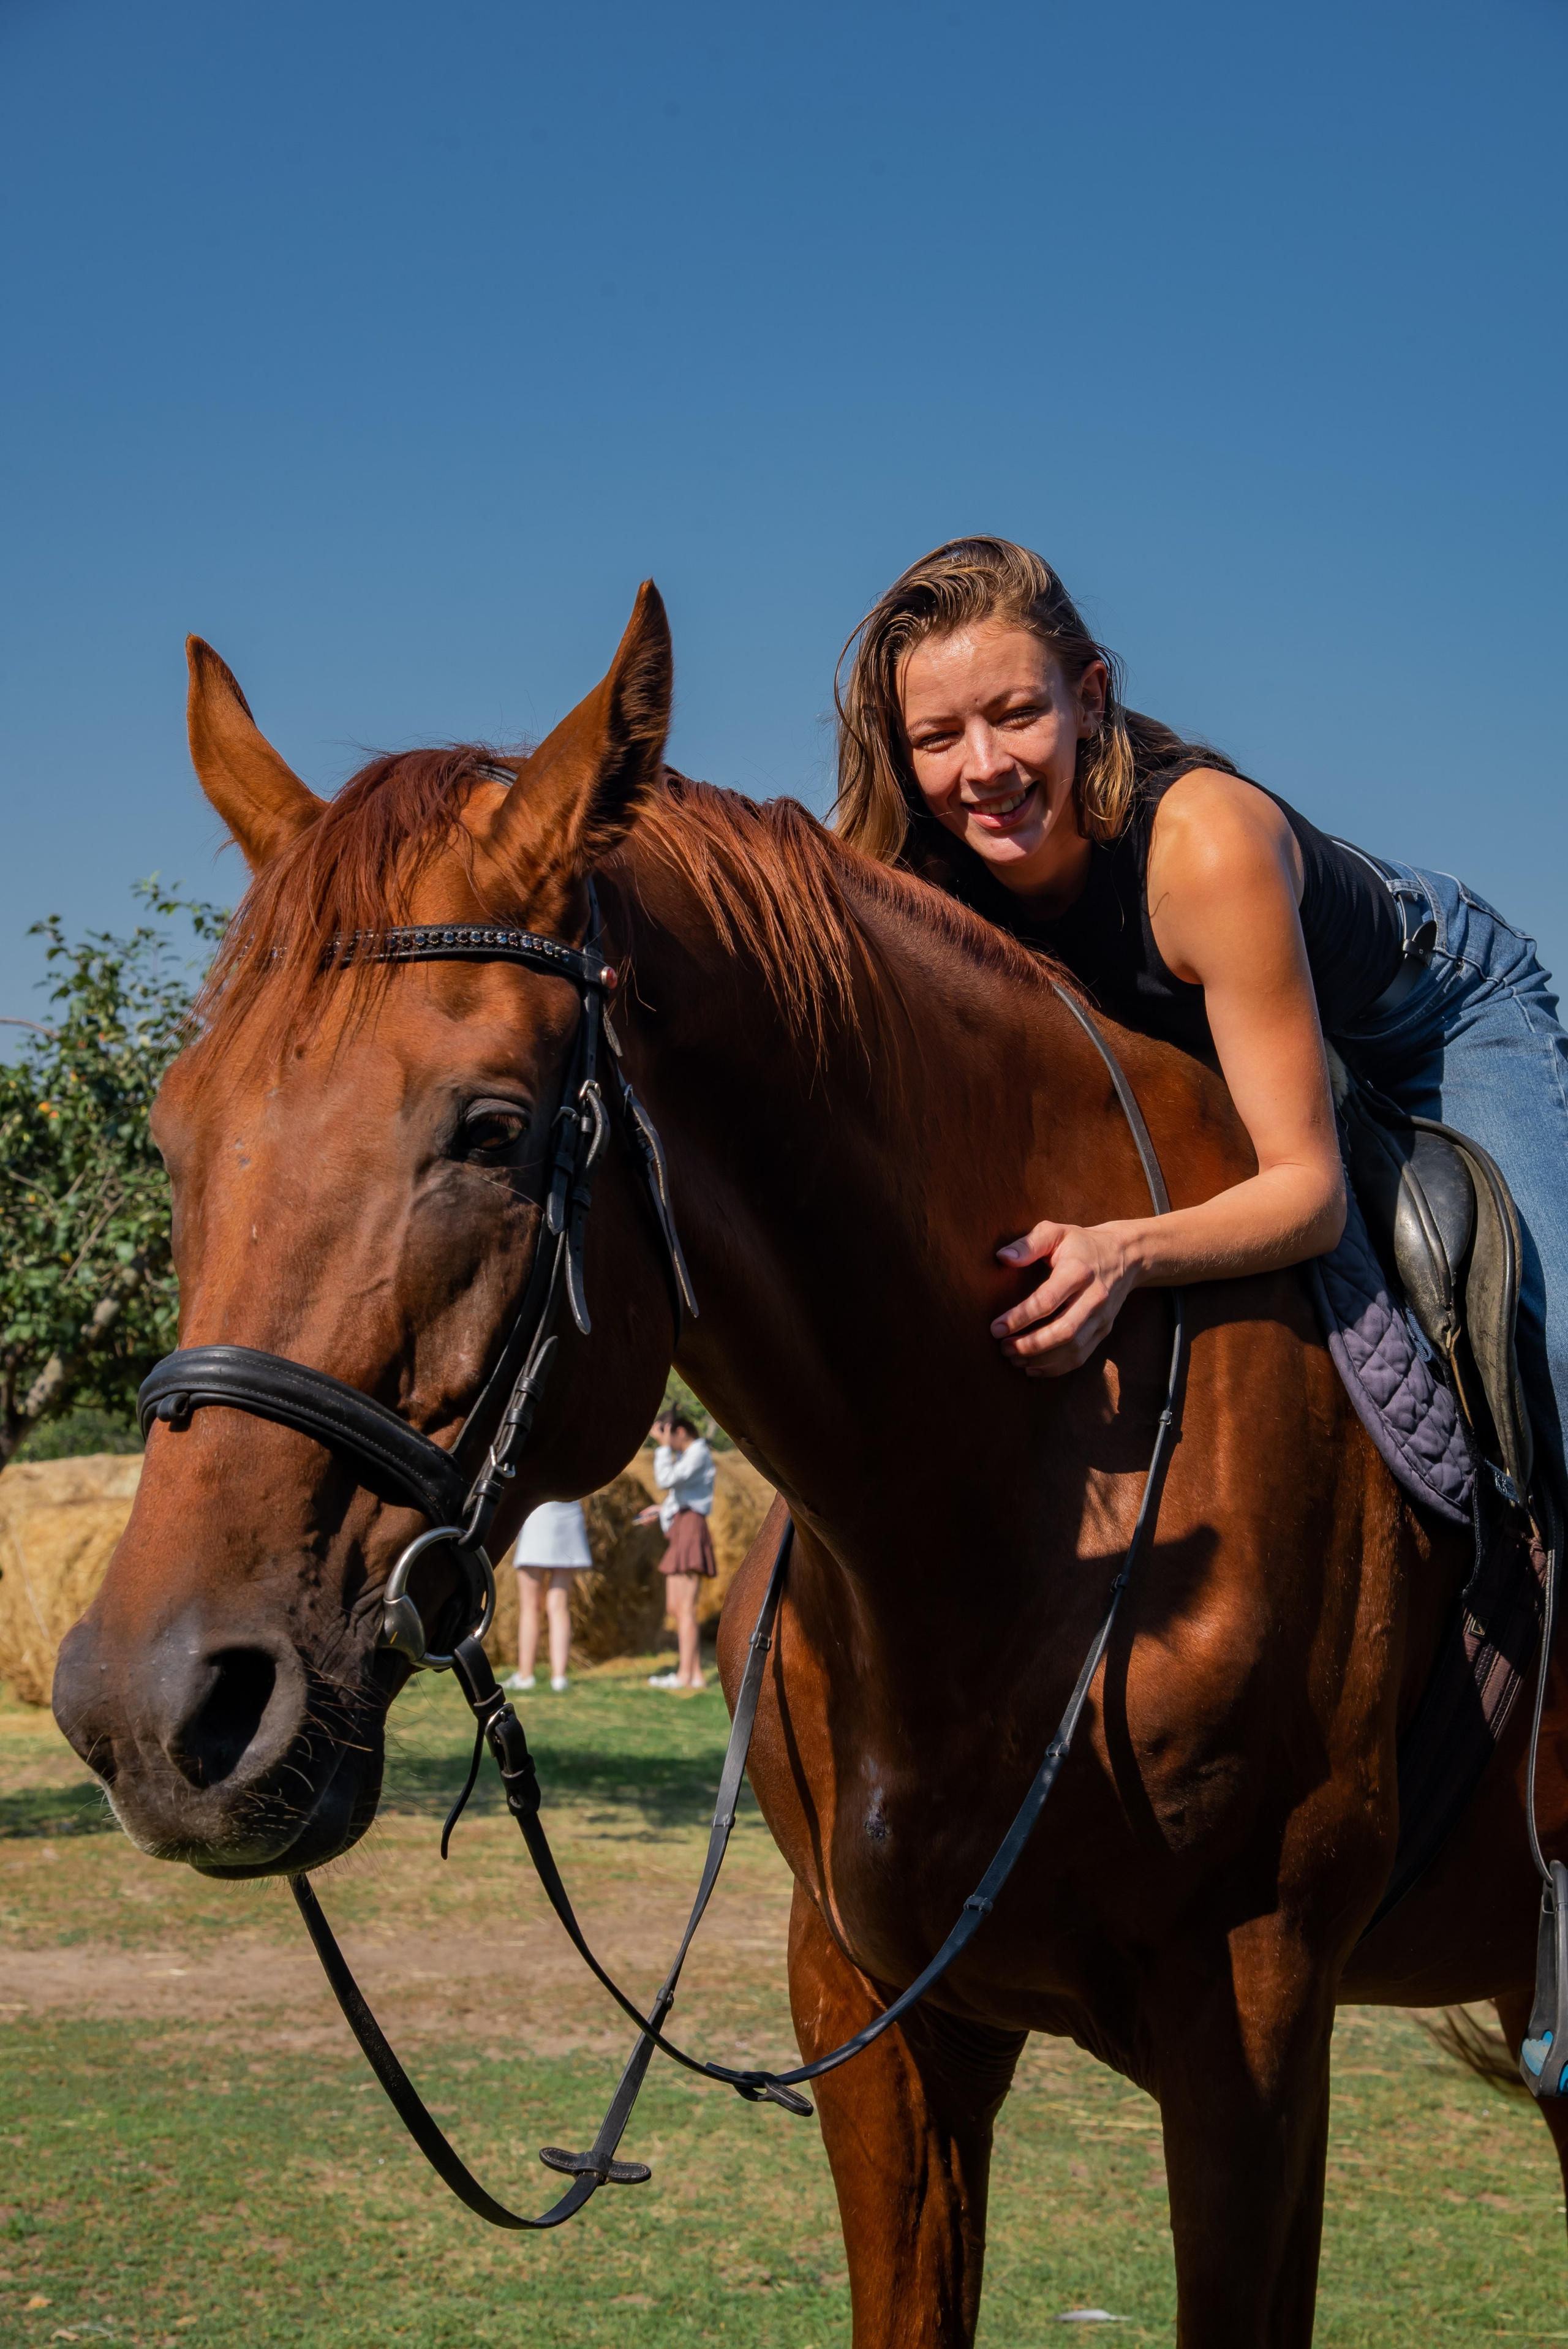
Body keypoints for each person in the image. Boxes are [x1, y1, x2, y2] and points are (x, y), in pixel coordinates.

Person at [834, 535, 1568, 1520]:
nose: (984, 768)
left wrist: (1125, 1250)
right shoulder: (909, 869)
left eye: (1018, 714)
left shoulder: (1204, 847)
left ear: (1089, 697)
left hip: (1428, 1010)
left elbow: (1308, 1194)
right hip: (1229, 1034)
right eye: (937, 738)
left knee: (1554, 1345)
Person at [636, 1409, 717, 1690]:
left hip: (691, 1529)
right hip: (682, 1526)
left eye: (666, 1434)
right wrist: (661, 1511)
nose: (665, 1441)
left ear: (679, 1432)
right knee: (676, 1607)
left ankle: (686, 1675)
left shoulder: (698, 1453)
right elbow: (680, 1495)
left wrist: (661, 1449)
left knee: (685, 1609)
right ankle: (693, 1674)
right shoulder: (689, 1456)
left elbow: (666, 1481)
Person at [503, 1499, 592, 1693]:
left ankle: (526, 1675)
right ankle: (559, 1677)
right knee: (559, 1606)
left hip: (539, 1516)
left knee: (530, 1607)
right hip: (568, 1518)